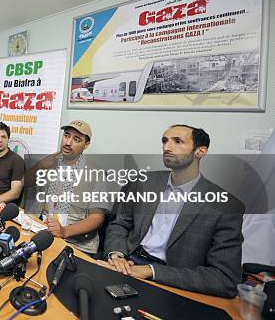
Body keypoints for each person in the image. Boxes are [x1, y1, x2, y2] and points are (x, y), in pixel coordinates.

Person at [97, 125, 244, 298]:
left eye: (178, 141)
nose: (167, 147)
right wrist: (116, 254)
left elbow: (225, 279)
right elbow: (119, 224)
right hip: (127, 259)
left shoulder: (226, 206)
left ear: (200, 151)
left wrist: (151, 271)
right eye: (164, 141)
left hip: (170, 278)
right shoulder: (143, 183)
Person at [24, 120, 111, 256]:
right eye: (66, 135)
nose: (68, 142)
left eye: (76, 139)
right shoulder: (50, 162)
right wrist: (40, 165)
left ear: (86, 144)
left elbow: (97, 218)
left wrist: (64, 231)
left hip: (75, 243)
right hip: (41, 231)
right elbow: (26, 182)